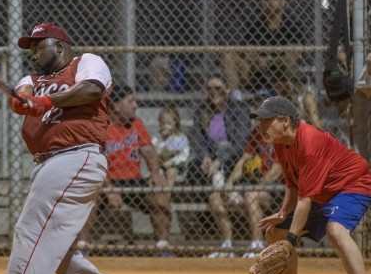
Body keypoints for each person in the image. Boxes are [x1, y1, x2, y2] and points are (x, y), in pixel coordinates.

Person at [0, 23, 153, 274]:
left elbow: (92, 90)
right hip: (50, 165)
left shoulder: (85, 62)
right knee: (57, 253)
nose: (32, 54)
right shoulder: (31, 80)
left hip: (76, 156)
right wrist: (23, 100)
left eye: (38, 46)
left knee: (30, 232)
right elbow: (22, 95)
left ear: (59, 47)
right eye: (30, 49)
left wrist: (46, 103)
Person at [252, 96, 371, 274]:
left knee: (336, 230)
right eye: (260, 121)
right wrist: (283, 213)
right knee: (276, 232)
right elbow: (293, 184)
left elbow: (305, 199)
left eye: (266, 120)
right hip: (322, 192)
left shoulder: (309, 142)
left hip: (353, 184)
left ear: (285, 121)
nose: (260, 126)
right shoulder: (281, 145)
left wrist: (291, 241)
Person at [78, 84, 161, 248]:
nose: (135, 106)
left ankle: (163, 246)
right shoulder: (100, 126)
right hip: (105, 181)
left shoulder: (136, 124)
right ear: (116, 106)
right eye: (130, 101)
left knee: (160, 196)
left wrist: (155, 174)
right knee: (90, 198)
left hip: (133, 181)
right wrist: (109, 189)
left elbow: (149, 152)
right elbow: (94, 164)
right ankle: (82, 246)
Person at [188, 73, 249, 256]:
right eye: (209, 89)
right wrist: (205, 157)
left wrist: (220, 160)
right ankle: (227, 244)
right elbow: (197, 138)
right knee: (195, 170)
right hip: (212, 163)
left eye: (218, 88)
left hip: (233, 161)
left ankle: (227, 191)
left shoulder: (239, 110)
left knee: (221, 181)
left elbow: (240, 142)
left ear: (227, 89)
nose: (213, 92)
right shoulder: (202, 110)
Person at [222, 90, 282, 258]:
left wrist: (258, 187)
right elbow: (243, 160)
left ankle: (257, 243)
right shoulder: (256, 133)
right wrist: (229, 184)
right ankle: (226, 246)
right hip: (257, 186)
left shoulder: (281, 134)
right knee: (218, 198)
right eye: (257, 104)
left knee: (251, 196)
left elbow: (279, 169)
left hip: (279, 189)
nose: (259, 108)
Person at [221, 0, 307, 94]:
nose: (270, 3)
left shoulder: (292, 26)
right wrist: (257, 59)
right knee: (228, 55)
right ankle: (235, 98)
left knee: (290, 65)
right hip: (257, 72)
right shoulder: (256, 27)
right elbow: (249, 53)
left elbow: (292, 57)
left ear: (282, 2)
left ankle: (293, 97)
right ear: (261, 4)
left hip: (282, 72)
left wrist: (269, 60)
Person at [150, 105, 191, 250]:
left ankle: (167, 191)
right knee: (159, 172)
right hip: (161, 167)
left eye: (169, 123)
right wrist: (161, 139)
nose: (165, 126)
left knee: (171, 171)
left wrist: (172, 162)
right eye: (162, 124)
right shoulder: (157, 138)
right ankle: (159, 192)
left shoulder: (180, 138)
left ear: (175, 123)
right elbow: (154, 153)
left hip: (177, 167)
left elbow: (184, 155)